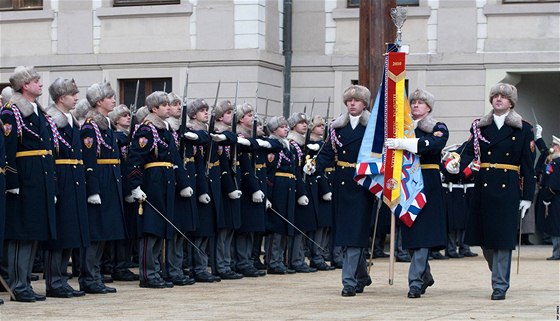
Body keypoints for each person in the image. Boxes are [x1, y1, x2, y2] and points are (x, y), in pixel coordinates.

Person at [447, 82, 535, 300]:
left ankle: (499, 285)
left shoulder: (523, 129)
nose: (498, 99)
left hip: (508, 186)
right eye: (495, 95)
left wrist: (527, 197)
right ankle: (497, 271)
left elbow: (528, 166)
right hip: (484, 185)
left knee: (503, 239)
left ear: (511, 102)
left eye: (503, 97)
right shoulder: (479, 127)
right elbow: (467, 152)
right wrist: (454, 164)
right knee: (486, 240)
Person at [310, 84, 375, 297]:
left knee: (355, 234)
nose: (352, 104)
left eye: (356, 101)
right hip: (342, 183)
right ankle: (361, 276)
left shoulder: (373, 127)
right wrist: (314, 165)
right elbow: (327, 152)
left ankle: (348, 282)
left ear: (365, 103)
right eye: (349, 101)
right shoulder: (336, 128)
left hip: (363, 184)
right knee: (346, 234)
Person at [1, 66, 57, 302]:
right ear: (25, 85)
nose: (41, 85)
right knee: (21, 233)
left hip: (40, 176)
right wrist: (12, 179)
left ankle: (25, 282)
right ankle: (18, 284)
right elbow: (8, 149)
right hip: (24, 175)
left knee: (34, 231)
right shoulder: (11, 113)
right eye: (36, 81)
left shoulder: (38, 111)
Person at [386, 89, 449, 299]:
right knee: (411, 234)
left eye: (421, 103)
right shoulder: (402, 128)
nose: (415, 105)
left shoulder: (437, 127)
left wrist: (405, 143)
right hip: (406, 183)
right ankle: (424, 275)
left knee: (423, 235)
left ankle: (414, 282)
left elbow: (433, 146)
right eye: (413, 102)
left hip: (428, 183)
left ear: (429, 107)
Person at [125, 91, 192, 288]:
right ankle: (148, 274)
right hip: (152, 181)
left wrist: (183, 183)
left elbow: (175, 160)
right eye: (164, 105)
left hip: (166, 180)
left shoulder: (165, 129)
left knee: (161, 228)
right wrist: (135, 186)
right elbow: (135, 158)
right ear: (155, 109)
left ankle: (157, 270)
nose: (168, 108)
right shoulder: (147, 130)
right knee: (151, 229)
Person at [42, 78, 90, 298]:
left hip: (74, 177)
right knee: (60, 233)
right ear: (61, 98)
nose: (77, 98)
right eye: (73, 94)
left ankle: (62, 279)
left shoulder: (71, 120)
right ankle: (53, 281)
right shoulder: (51, 120)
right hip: (60, 176)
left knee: (71, 231)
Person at [79, 82, 126, 294]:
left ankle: (95, 275)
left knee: (104, 232)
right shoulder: (91, 126)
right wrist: (93, 189)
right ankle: (88, 277)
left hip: (111, 179)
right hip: (100, 180)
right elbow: (89, 160)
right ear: (99, 102)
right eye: (110, 97)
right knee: (96, 232)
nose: (114, 101)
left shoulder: (105, 124)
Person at [286, 112, 315, 273]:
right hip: (296, 188)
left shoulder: (302, 144)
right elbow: (295, 170)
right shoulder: (293, 144)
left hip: (302, 186)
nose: (305, 125)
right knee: (297, 228)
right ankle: (295, 260)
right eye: (301, 122)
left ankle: (299, 258)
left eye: (306, 122)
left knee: (302, 226)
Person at [536, 131, 560, 260]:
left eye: (554, 145)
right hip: (555, 196)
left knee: (556, 226)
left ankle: (557, 253)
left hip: (555, 197)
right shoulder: (553, 160)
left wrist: (547, 196)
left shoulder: (557, 162)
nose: (552, 147)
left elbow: (554, 183)